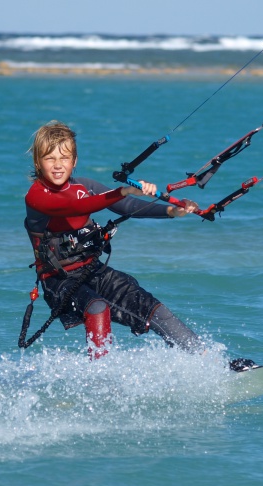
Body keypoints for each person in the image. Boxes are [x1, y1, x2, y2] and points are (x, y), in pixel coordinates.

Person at [23, 120, 206, 359]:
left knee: (150, 306)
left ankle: (208, 361)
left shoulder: (84, 186)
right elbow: (73, 207)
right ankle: (100, 376)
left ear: (74, 161)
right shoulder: (36, 196)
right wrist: (123, 190)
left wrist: (173, 211)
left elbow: (127, 206)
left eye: (64, 158)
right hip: (59, 282)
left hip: (92, 271)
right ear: (38, 162)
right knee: (98, 307)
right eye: (50, 159)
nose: (58, 166)